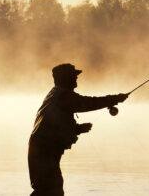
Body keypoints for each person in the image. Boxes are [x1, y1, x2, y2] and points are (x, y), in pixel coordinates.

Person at [28, 63, 128, 196]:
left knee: (48, 188)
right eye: (73, 76)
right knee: (51, 188)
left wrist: (77, 129)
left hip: (41, 148)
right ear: (64, 78)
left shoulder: (55, 94)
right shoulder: (63, 95)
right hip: (44, 150)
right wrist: (114, 99)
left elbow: (54, 123)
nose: (76, 78)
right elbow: (88, 103)